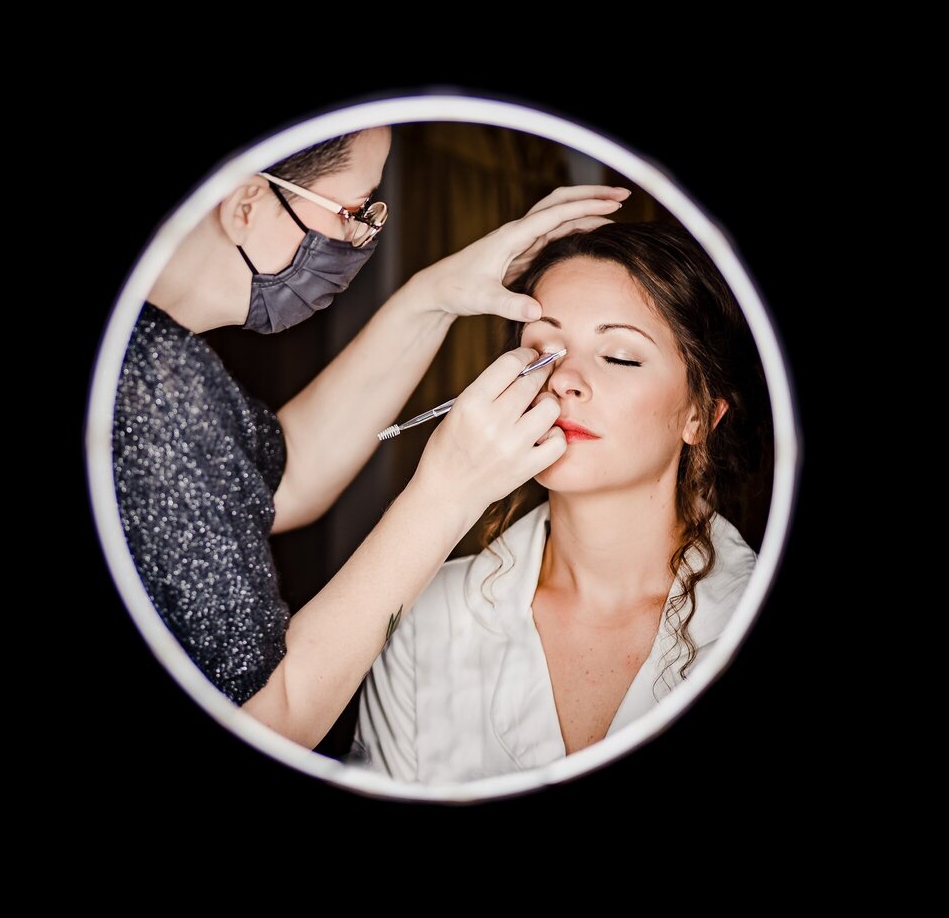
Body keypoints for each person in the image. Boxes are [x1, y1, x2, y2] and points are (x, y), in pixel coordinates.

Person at [112, 125, 627, 748]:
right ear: (247, 204)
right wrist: (448, 491)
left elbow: (282, 473)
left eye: (622, 356)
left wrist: (434, 297)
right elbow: (265, 720)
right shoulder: (147, 383)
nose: (359, 238)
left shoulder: (161, 363)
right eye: (353, 211)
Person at [350, 222, 763, 782]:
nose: (563, 378)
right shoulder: (427, 617)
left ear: (700, 416)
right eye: (542, 351)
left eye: (619, 356)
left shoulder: (747, 609)